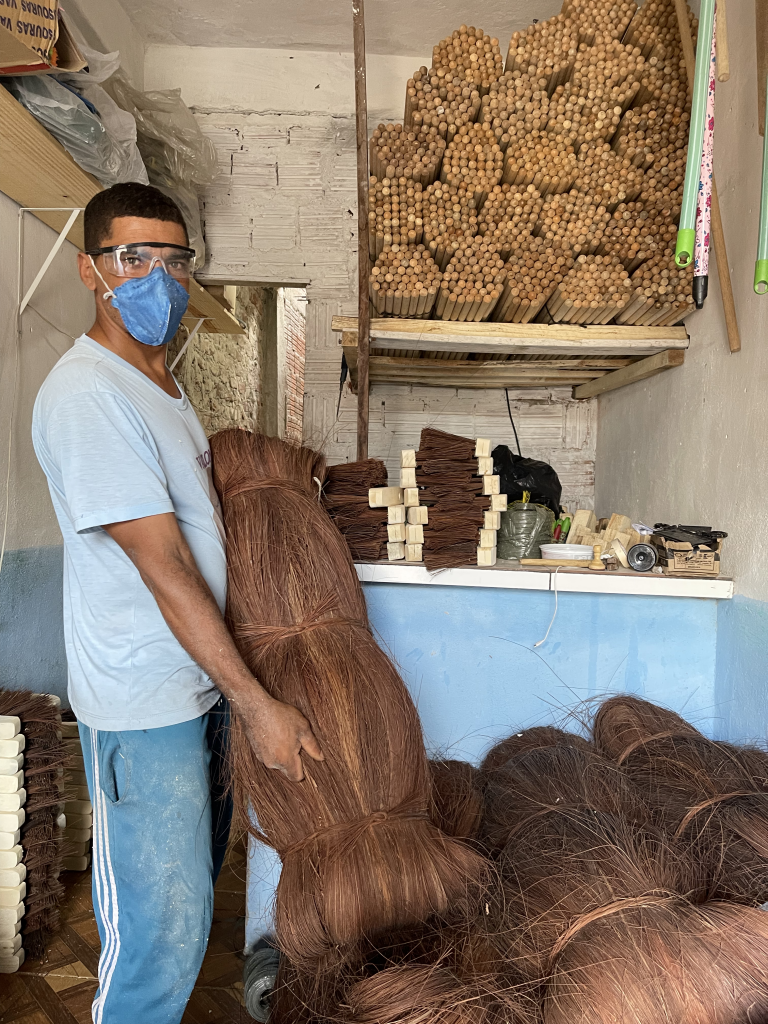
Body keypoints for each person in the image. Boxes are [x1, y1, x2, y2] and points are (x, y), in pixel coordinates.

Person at [31, 183, 323, 1024]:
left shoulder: (160, 387)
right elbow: (163, 565)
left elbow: (199, 536)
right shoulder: (90, 395)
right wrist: (256, 702)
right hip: (142, 703)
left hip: (193, 688)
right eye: (134, 258)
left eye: (174, 259)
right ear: (93, 270)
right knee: (155, 941)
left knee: (188, 911)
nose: (157, 277)